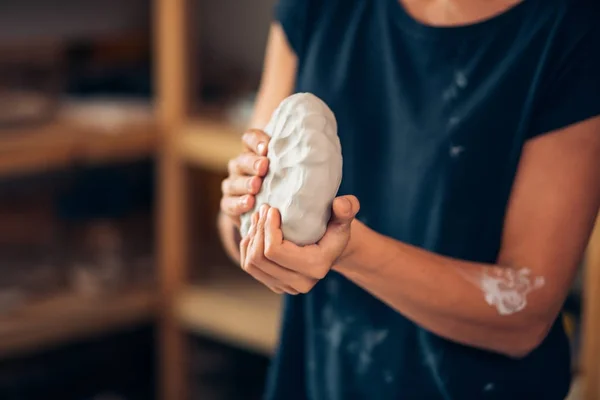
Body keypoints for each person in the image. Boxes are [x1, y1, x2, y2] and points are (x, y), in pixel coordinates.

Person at [217, 0, 600, 398]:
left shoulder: (573, 31)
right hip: (325, 377)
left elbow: (525, 315)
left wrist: (351, 250)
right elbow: (237, 221)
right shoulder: (317, 7)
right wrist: (242, 212)